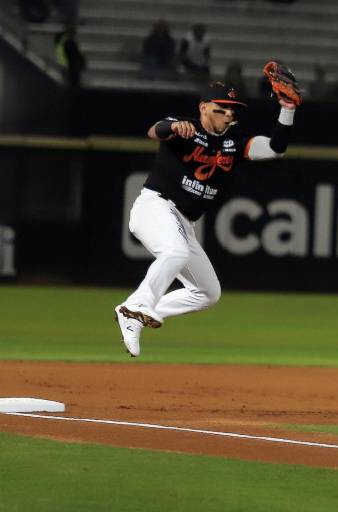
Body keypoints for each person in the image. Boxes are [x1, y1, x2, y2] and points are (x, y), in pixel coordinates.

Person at [114, 81, 298, 357]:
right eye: (221, 108)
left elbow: (275, 148)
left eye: (232, 110)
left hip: (184, 223)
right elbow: (155, 130)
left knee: (207, 292)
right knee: (174, 251)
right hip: (155, 207)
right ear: (203, 107)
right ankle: (139, 304)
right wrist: (173, 128)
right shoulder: (185, 127)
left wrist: (287, 109)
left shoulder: (233, 144)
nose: (227, 114)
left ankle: (132, 312)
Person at [54, 25, 87, 89]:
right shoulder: (68, 42)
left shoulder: (63, 41)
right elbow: (75, 55)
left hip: (68, 66)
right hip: (68, 66)